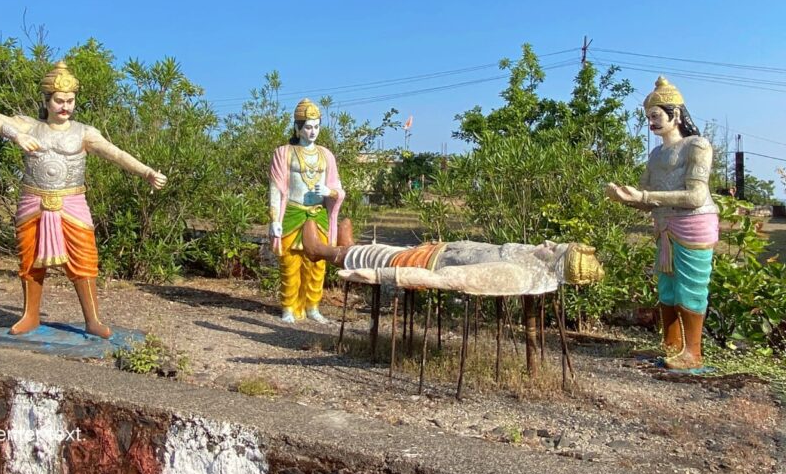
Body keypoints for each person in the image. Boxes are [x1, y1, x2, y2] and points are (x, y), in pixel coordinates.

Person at [0, 61, 167, 338]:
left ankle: (93, 319)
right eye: (59, 100)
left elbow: (116, 154)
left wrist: (146, 172)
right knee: (29, 259)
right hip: (33, 201)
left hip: (72, 203)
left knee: (84, 258)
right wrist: (15, 135)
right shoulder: (29, 125)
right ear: (47, 101)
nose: (65, 106)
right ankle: (30, 316)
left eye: (70, 101)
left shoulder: (84, 132)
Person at [605, 77, 719, 371]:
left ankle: (693, 351)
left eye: (656, 116)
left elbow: (695, 195)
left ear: (676, 114)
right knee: (667, 288)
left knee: (690, 289)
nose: (651, 123)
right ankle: (671, 345)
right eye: (648, 118)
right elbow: (647, 199)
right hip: (664, 226)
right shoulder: (655, 155)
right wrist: (625, 197)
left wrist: (644, 195)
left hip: (693, 224)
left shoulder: (697, 145)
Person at [300, 220, 604, 295]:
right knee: (383, 251)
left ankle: (322, 252)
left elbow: (445, 280)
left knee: (380, 258)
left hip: (429, 265)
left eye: (554, 249)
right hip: (439, 252)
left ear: (555, 265)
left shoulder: (519, 275)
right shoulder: (528, 258)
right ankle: (346, 247)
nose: (548, 243)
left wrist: (382, 277)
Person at [268, 98, 344, 323]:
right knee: (290, 264)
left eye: (316, 126)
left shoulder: (326, 155)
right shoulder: (284, 153)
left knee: (317, 264)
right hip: (292, 213)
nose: (313, 132)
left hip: (317, 214)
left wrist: (329, 191)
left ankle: (313, 307)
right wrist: (274, 218)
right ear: (297, 127)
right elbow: (276, 187)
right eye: (308, 127)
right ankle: (289, 307)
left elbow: (338, 188)